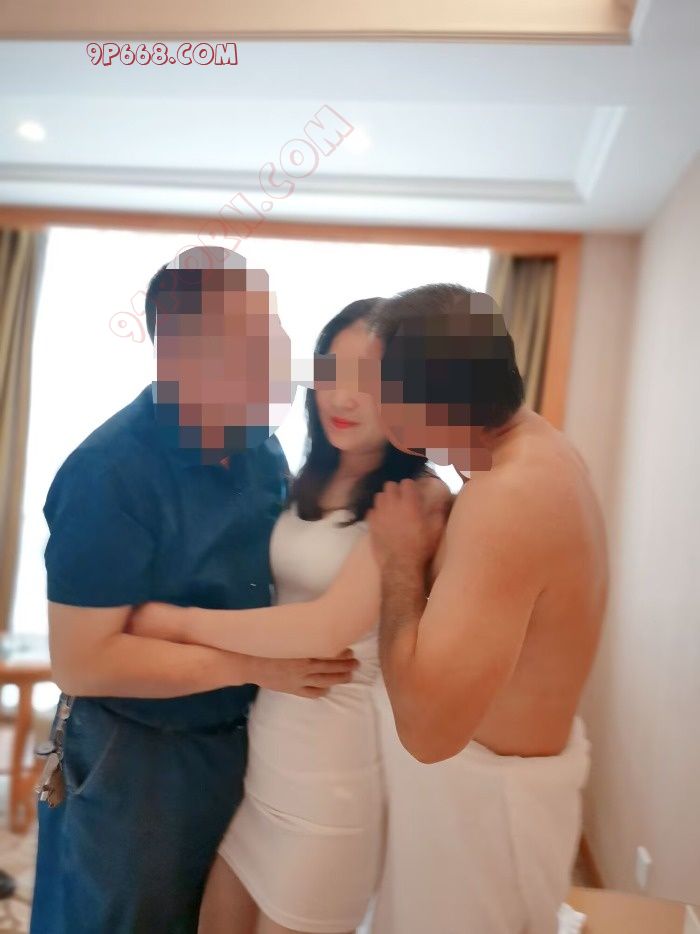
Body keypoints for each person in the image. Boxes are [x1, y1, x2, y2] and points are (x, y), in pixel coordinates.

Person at [30, 246, 357, 934]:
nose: (278, 355)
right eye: (252, 340)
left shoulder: (260, 447)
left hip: (243, 743)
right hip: (140, 755)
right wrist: (255, 666)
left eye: (275, 331)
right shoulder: (108, 473)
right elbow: (84, 661)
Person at [130, 298, 447, 934]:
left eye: (370, 380)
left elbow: (324, 627)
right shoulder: (308, 476)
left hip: (331, 788)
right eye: (332, 371)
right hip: (263, 772)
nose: (343, 397)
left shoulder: (419, 496)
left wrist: (176, 622)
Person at [365, 284, 608, 934]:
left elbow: (427, 732)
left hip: (486, 821)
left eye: (380, 386)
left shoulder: (512, 496)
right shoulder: (530, 450)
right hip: (488, 805)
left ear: (426, 403)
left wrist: (399, 559)